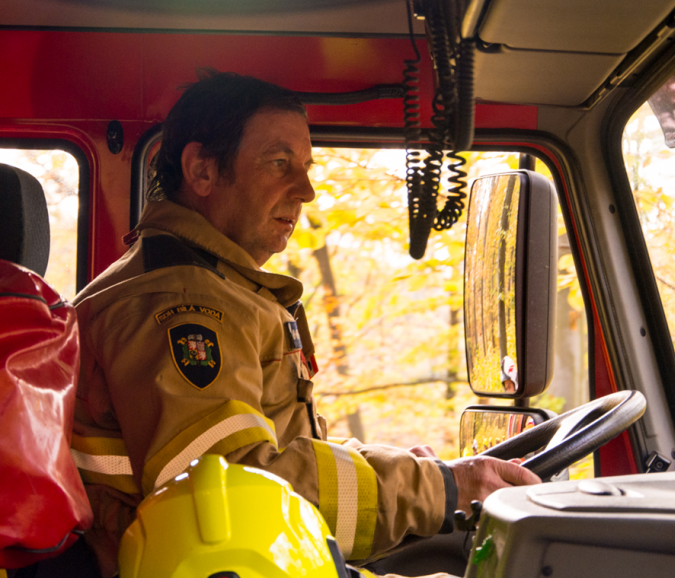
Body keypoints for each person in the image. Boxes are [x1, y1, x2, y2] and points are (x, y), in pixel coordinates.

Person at [70, 70, 540, 578]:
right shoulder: (180, 305)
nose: (307, 190)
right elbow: (234, 490)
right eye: (279, 163)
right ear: (202, 171)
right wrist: (440, 488)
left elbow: (275, 456)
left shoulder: (218, 288)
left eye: (306, 166)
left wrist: (423, 474)